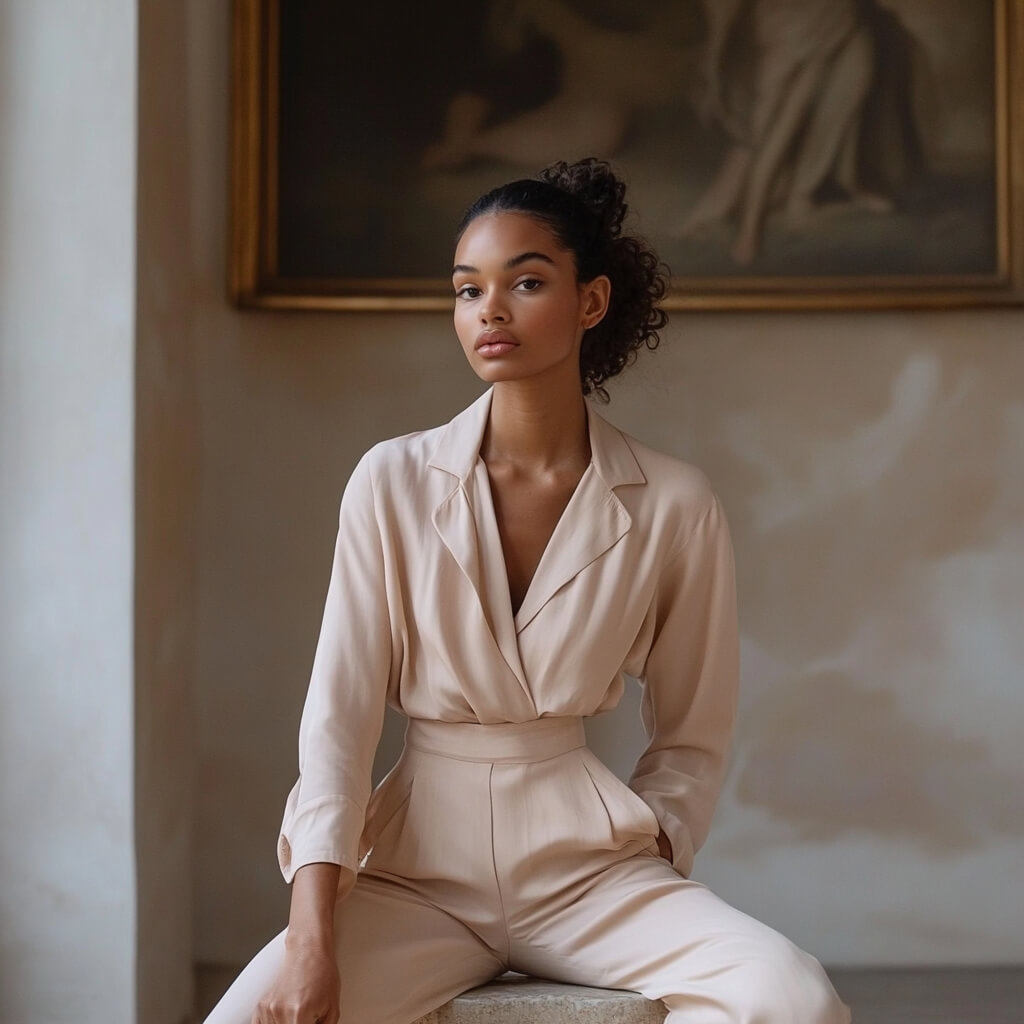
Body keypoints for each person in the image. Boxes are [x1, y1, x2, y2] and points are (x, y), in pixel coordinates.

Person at [205, 158, 851, 1024]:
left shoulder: (674, 501)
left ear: (591, 301)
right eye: (468, 290)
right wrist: (311, 936)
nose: (491, 311)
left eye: (527, 282)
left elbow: (694, 730)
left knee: (794, 997)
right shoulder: (391, 481)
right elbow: (338, 723)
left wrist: (659, 841)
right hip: (415, 874)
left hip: (589, 872)